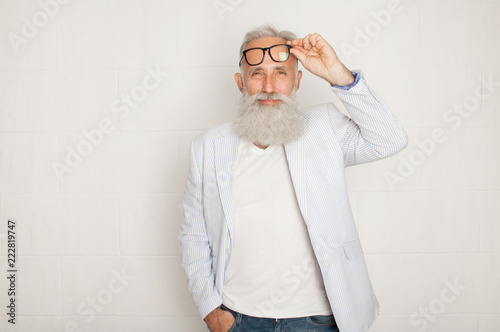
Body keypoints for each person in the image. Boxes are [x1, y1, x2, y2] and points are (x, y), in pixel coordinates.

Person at [178, 24, 408, 332]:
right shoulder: (208, 147)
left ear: (298, 79)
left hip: (318, 319)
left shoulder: (324, 127)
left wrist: (338, 74)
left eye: (281, 73)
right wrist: (211, 311)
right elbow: (194, 235)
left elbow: (390, 139)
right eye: (257, 73)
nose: (269, 86)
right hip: (238, 319)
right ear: (241, 82)